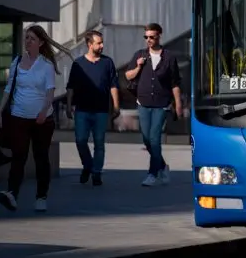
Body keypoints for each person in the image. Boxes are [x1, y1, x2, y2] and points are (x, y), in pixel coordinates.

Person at [0, 24, 66, 213]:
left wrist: (44, 111)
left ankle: (41, 196)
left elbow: (50, 92)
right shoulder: (17, 62)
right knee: (19, 156)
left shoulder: (46, 65)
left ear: (41, 42)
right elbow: (8, 89)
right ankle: (12, 194)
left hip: (41, 120)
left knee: (40, 157)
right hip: (19, 117)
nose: (28, 41)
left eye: (32, 38)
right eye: (26, 37)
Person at [124, 23, 184, 187]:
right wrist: (138, 66)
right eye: (146, 37)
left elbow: (175, 83)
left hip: (161, 104)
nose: (148, 40)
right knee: (146, 139)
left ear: (159, 36)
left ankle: (152, 173)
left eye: (152, 37)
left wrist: (178, 103)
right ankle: (163, 166)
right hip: (142, 102)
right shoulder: (140, 55)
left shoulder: (169, 57)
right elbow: (128, 76)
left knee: (155, 139)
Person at [67, 28, 120, 186]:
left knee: (99, 143)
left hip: (101, 110)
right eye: (99, 43)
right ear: (90, 44)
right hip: (82, 110)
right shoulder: (78, 64)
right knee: (80, 140)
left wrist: (116, 106)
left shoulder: (107, 62)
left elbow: (113, 85)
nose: (102, 45)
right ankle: (88, 166)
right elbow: (71, 87)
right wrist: (69, 105)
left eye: (102, 42)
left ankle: (96, 173)